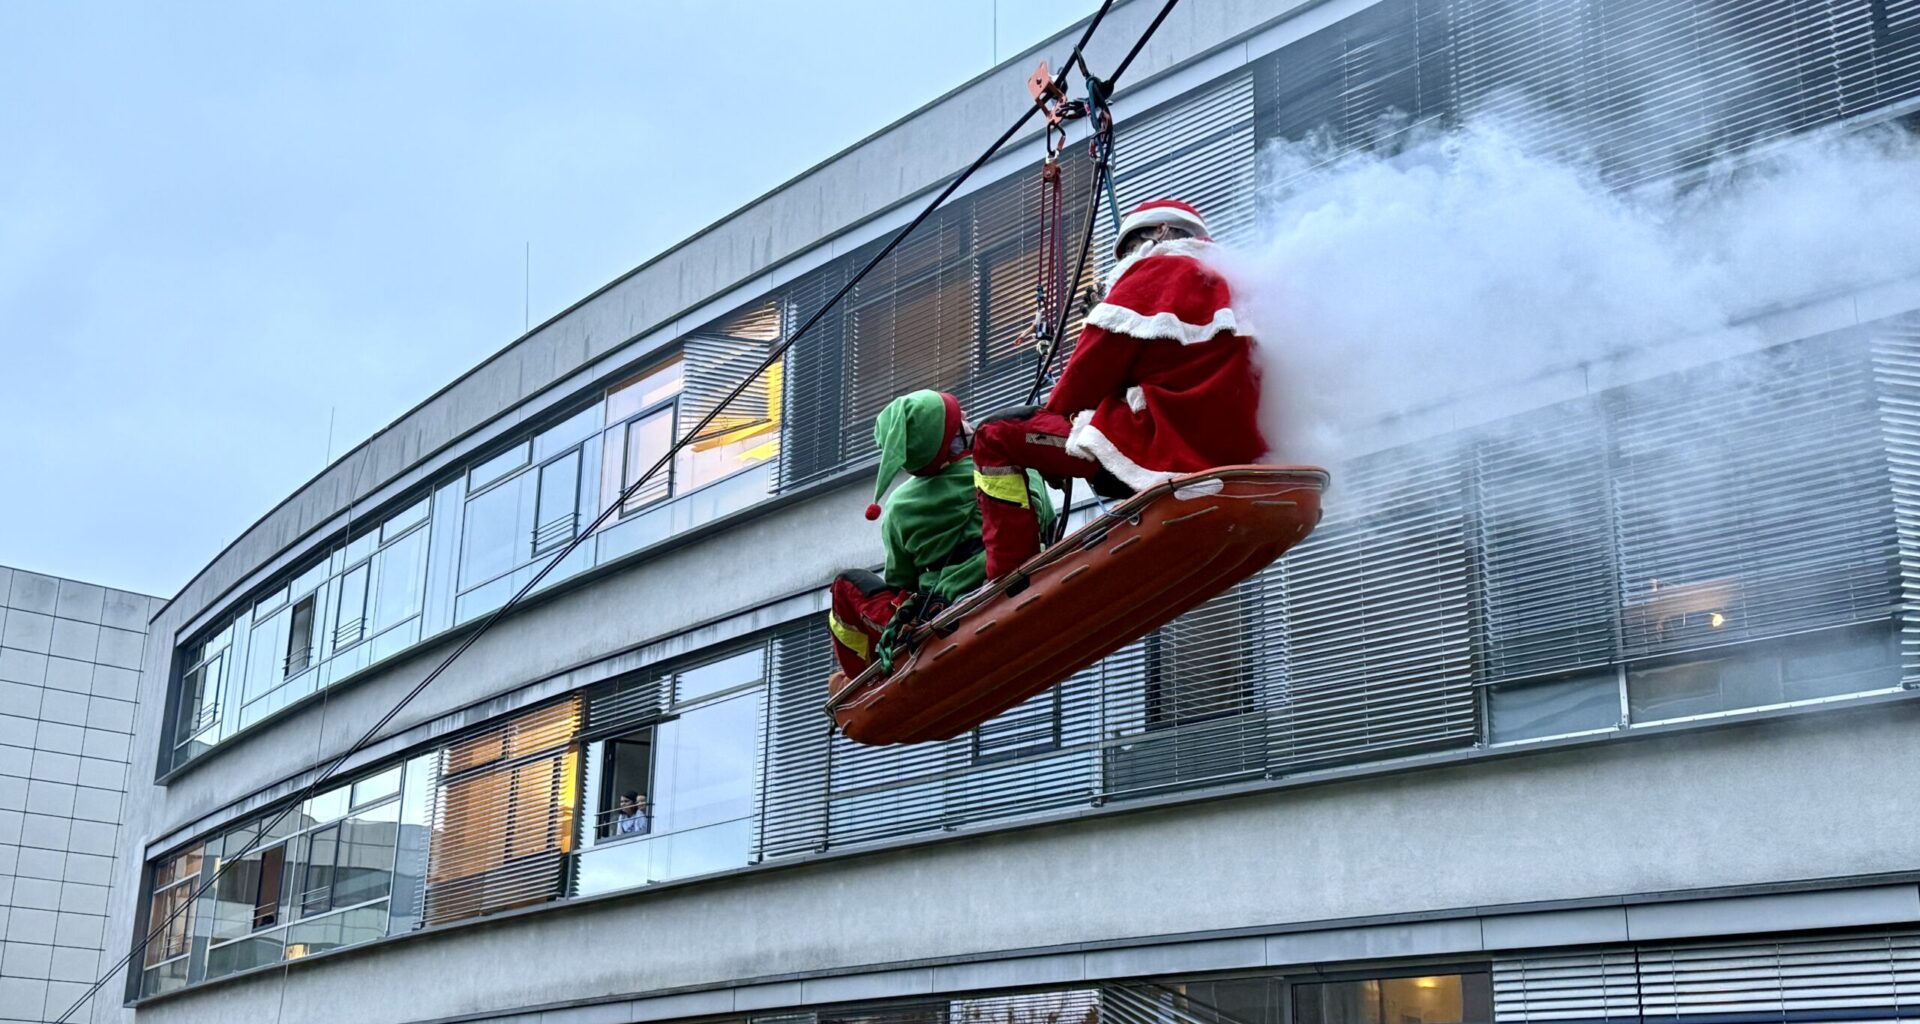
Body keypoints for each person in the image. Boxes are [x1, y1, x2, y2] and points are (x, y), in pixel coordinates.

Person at [970, 199, 1267, 581]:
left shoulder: (1158, 269)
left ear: (1160, 233)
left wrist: (1053, 423)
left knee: (995, 435)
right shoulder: (1243, 286)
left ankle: (1008, 579)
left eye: (1128, 247)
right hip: (1238, 457)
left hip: (1160, 448)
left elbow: (1086, 376)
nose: (1124, 261)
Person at [829, 390, 1054, 682]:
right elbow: (1045, 518)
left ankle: (867, 680)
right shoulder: (1001, 462)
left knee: (845, 586)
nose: (970, 422)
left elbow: (901, 582)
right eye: (962, 419)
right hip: (1017, 573)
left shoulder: (899, 507)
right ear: (952, 433)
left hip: (943, 610)